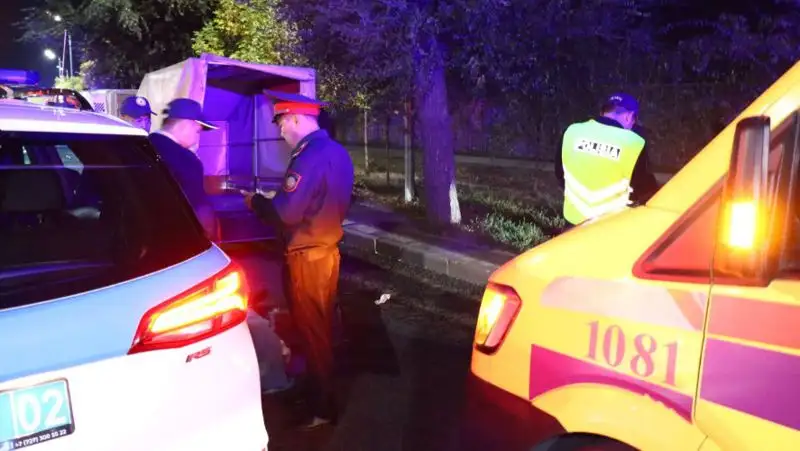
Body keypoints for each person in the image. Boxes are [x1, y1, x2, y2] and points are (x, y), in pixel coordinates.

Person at [242, 90, 355, 429]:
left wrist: (256, 202)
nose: (280, 132)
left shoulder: (308, 155)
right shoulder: (336, 151)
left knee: (313, 332)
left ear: (294, 118)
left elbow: (286, 213)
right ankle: (315, 392)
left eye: (281, 124)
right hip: (325, 252)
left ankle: (322, 408)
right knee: (318, 328)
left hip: (307, 257)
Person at [554, 93, 659, 228]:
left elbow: (560, 173)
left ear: (603, 112)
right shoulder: (634, 143)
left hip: (573, 225)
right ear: (629, 117)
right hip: (611, 228)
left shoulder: (572, 131)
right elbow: (645, 190)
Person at [148, 98, 219, 240]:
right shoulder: (187, 161)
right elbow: (196, 207)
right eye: (197, 131)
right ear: (186, 124)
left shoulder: (140, 146)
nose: (197, 138)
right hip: (175, 238)